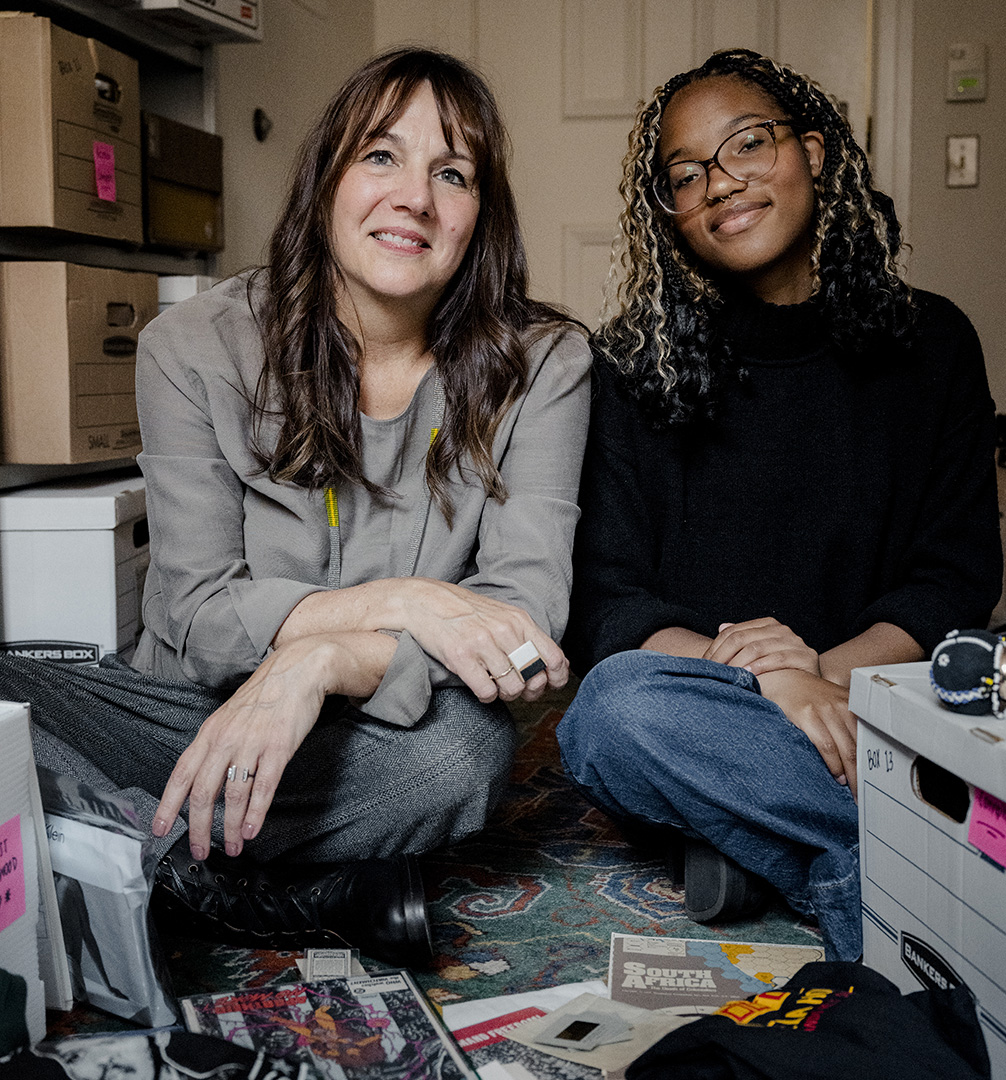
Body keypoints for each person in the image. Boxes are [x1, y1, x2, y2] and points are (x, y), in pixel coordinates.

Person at [5, 47, 590, 965]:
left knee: (459, 760)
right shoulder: (190, 345)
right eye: (381, 157)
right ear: (326, 180)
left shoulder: (546, 363)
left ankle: (128, 864)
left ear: (482, 214)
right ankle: (234, 890)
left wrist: (317, 662)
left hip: (375, 734)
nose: (415, 198)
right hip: (186, 722)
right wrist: (413, 602)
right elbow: (197, 616)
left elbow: (522, 632)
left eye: (453, 172)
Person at [557, 48, 1001, 961]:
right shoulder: (629, 371)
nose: (722, 183)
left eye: (747, 144)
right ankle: (861, 857)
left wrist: (824, 675)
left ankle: (744, 833)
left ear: (816, 151)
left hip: (874, 701)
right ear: (670, 219)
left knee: (986, 712)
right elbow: (608, 603)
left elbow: (955, 577)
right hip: (704, 700)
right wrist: (768, 679)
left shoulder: (937, 344)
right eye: (687, 175)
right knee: (609, 715)